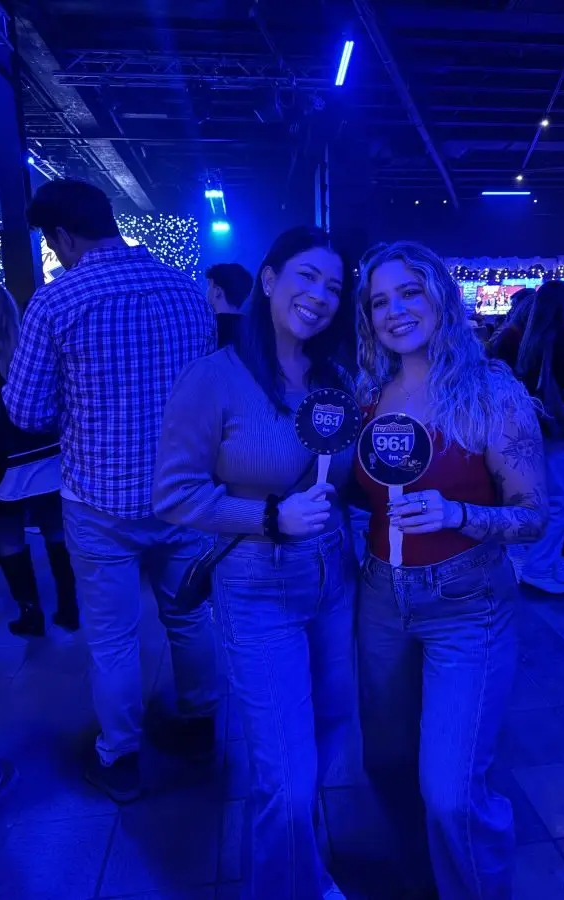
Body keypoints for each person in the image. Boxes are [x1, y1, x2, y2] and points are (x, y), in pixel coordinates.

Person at [153, 227, 357, 900]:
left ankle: (303, 870)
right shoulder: (213, 377)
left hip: (334, 581)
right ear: (269, 280)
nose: (320, 295)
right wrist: (269, 517)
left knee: (326, 736)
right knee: (286, 777)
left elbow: (341, 476)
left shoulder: (332, 378)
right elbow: (173, 493)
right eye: (306, 277)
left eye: (333, 286)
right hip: (257, 587)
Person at [3, 178, 218, 803]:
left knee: (114, 639)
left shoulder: (56, 301)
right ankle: (200, 728)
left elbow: (26, 411)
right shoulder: (185, 289)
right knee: (188, 615)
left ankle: (120, 758)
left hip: (100, 503)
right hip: (182, 493)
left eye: (52, 243)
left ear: (63, 236)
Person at [355, 242, 548, 900]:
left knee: (451, 793)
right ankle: (423, 882)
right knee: (384, 763)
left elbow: (533, 516)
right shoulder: (368, 392)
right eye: (379, 301)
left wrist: (457, 513)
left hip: (467, 602)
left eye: (409, 292)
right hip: (379, 598)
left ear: (440, 295)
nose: (395, 310)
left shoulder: (492, 391)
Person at [0, 286, 78, 636]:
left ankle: (31, 613)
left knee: (9, 539)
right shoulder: (27, 354)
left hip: (3, 466)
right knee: (57, 532)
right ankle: (69, 607)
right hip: (46, 458)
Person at [517, 279, 564, 595]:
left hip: (535, 424)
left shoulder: (532, 336)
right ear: (563, 305)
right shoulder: (560, 336)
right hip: (557, 425)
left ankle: (545, 563)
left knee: (547, 497)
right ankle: (539, 567)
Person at [205, 262, 253, 348]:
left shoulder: (208, 330)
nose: (207, 292)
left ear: (217, 291)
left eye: (209, 286)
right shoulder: (253, 330)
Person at [487, 288, 535, 370]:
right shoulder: (541, 334)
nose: (509, 310)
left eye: (513, 306)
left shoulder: (510, 334)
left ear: (522, 307)